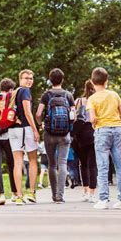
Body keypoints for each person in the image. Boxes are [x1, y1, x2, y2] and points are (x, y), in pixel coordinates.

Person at [86, 67, 121, 210]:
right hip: (117, 129)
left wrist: (96, 123)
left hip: (101, 131)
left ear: (92, 82)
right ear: (107, 81)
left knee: (103, 166)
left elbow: (92, 118)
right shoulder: (114, 95)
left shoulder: (91, 99)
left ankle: (103, 200)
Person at [36, 68, 75, 204]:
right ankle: (60, 195)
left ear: (50, 80)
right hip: (65, 134)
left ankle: (54, 195)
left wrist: (41, 125)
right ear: (62, 80)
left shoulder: (46, 95)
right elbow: (73, 115)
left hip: (49, 134)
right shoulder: (68, 95)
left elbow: (38, 114)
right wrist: (68, 126)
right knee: (62, 163)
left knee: (52, 164)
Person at [8, 69, 40, 205]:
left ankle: (18, 195)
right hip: (25, 129)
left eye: (31, 78)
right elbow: (27, 112)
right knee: (32, 160)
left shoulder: (13, 93)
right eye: (26, 78)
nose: (29, 80)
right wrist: (35, 130)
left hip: (12, 130)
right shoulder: (25, 91)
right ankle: (31, 193)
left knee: (18, 162)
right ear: (20, 79)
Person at [73, 80, 98, 202]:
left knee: (83, 164)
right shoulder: (98, 101)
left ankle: (85, 191)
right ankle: (92, 193)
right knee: (93, 165)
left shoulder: (78, 101)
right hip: (94, 132)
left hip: (80, 135)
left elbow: (73, 117)